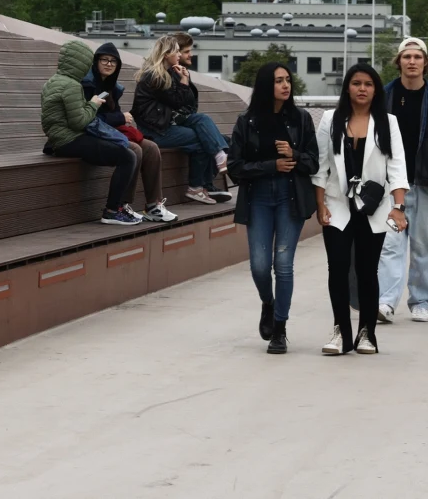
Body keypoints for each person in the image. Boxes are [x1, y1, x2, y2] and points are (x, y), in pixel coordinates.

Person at [311, 63, 407, 356]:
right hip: (337, 205)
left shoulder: (388, 122)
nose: (362, 89)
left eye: (368, 84)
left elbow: (397, 166)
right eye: (356, 83)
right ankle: (341, 331)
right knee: (338, 268)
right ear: (347, 88)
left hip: (373, 208)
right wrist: (320, 205)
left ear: (376, 90)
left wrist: (398, 207)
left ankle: (367, 333)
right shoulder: (331, 119)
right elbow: (321, 166)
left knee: (367, 270)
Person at [228, 62, 319, 354]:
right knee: (259, 265)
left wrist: (294, 154)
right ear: (267, 85)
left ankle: (280, 329)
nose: (285, 85)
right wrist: (272, 165)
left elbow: (314, 162)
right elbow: (235, 167)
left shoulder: (301, 119)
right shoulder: (247, 121)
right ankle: (268, 303)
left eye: (288, 80)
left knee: (283, 264)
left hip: (289, 197)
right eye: (279, 80)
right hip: (258, 198)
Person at [375, 37, 428, 324]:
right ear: (399, 62)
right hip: (391, 186)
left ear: (426, 63)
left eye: (417, 57)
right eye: (407, 57)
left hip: (427, 184)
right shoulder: (383, 95)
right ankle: (386, 302)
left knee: (423, 248)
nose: (412, 61)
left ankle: (420, 301)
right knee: (390, 246)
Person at [41, 40, 142, 226]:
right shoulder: (72, 86)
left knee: (127, 152)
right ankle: (112, 211)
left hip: (59, 139)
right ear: (80, 62)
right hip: (69, 140)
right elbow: (79, 121)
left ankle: (117, 209)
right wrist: (93, 104)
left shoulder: (53, 81)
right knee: (128, 157)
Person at [132, 34, 230, 204]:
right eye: (177, 51)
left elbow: (187, 104)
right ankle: (197, 186)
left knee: (202, 120)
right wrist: (184, 81)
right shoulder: (155, 76)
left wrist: (184, 80)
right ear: (166, 55)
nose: (179, 55)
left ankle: (215, 164)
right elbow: (177, 102)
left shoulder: (169, 73)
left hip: (167, 123)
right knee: (202, 139)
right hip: (155, 131)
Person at [82, 43, 174, 223]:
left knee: (151, 148)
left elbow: (112, 117)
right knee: (133, 149)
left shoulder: (111, 86)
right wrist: (120, 117)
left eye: (113, 61)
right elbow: (89, 119)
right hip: (92, 133)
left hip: (109, 132)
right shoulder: (87, 85)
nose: (109, 64)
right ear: (96, 61)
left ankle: (153, 206)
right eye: (104, 60)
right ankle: (119, 206)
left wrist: (120, 118)